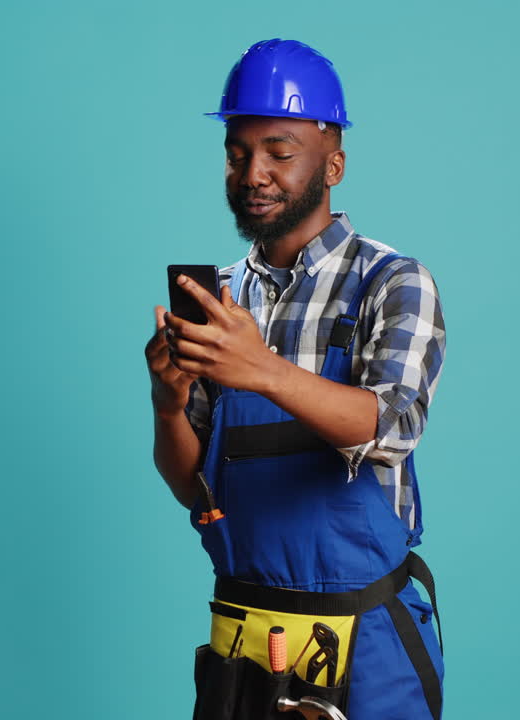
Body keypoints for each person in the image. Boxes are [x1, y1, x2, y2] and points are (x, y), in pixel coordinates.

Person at [144, 39, 447, 720]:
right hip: (244, 639)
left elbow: (393, 427)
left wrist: (262, 370)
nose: (254, 172)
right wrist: (169, 406)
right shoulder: (220, 297)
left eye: (279, 152)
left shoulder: (392, 283)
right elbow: (190, 484)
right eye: (237, 152)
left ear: (333, 162)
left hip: (363, 639)